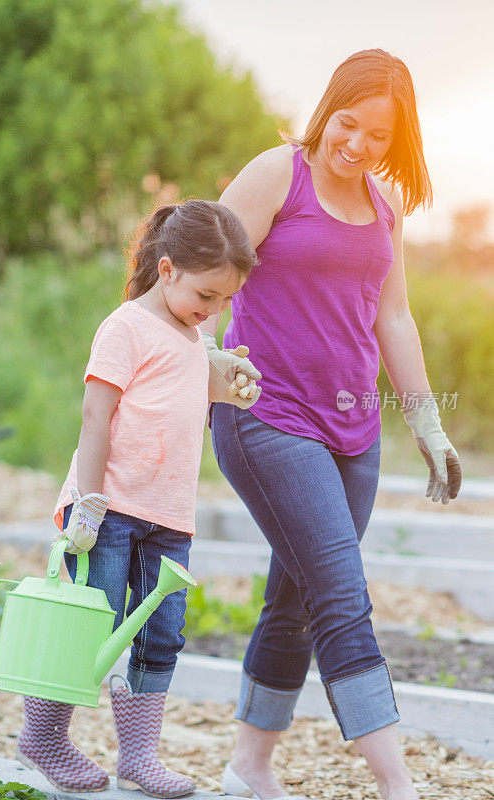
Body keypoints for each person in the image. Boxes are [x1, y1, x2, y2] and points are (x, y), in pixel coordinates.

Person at [202, 49, 463, 800]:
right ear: (327, 109)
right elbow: (202, 273)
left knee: (297, 599)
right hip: (267, 418)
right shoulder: (275, 174)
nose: (356, 146)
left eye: (377, 137)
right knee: (342, 595)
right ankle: (397, 785)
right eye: (347, 125)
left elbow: (393, 315)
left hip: (354, 434)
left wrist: (429, 427)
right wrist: (203, 361)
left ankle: (247, 766)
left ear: (395, 142)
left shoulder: (384, 206)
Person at [15, 199, 262, 798]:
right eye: (207, 295)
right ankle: (42, 735)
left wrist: (232, 388)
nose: (214, 309)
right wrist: (89, 505)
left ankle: (140, 758)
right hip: (108, 508)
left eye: (225, 299)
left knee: (159, 633)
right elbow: (96, 416)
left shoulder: (193, 334)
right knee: (87, 623)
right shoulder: (124, 327)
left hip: (168, 514)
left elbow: (186, 398)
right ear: (168, 268)